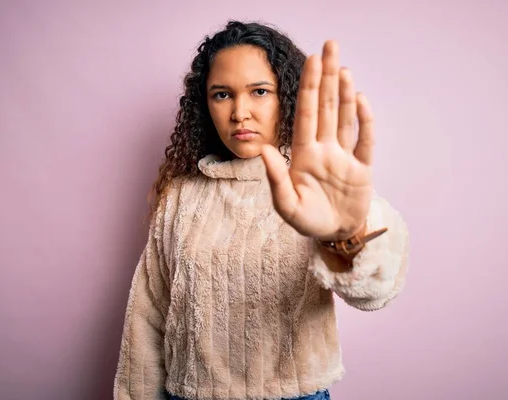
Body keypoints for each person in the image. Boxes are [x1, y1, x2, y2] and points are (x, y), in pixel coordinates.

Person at [113, 20, 410, 400]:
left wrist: (344, 236)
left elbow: (374, 293)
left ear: (287, 95)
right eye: (222, 95)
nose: (240, 112)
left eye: (259, 91)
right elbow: (148, 314)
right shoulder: (181, 196)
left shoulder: (317, 190)